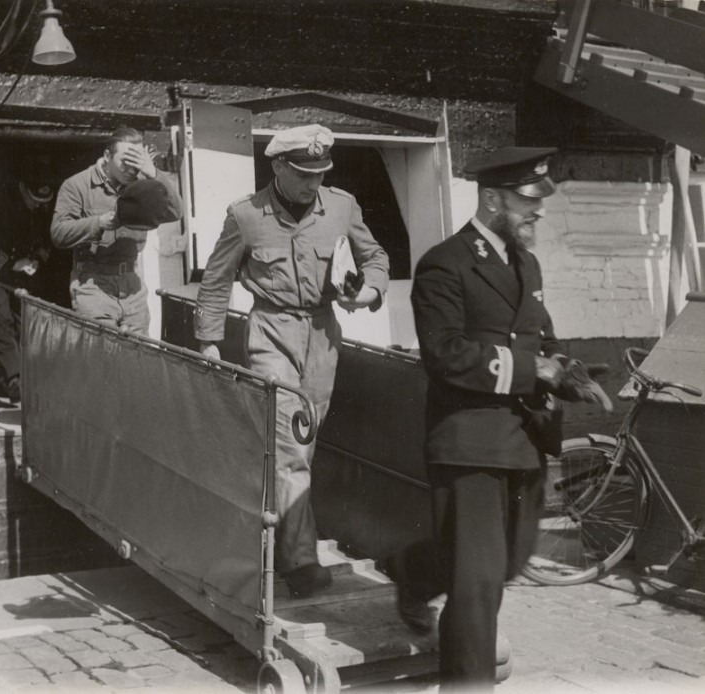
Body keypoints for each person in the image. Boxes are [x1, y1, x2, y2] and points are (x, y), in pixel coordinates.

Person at [404, 147, 610, 691]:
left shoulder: (526, 262)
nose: (537, 211)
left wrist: (565, 365)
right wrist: (536, 368)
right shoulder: (444, 264)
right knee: (477, 585)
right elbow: (445, 354)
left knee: (511, 560)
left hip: (523, 436)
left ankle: (414, 570)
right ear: (492, 198)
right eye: (525, 201)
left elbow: (538, 332)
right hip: (469, 439)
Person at [194, 124, 390, 598]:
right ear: (278, 167)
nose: (313, 183)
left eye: (321, 173)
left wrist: (368, 292)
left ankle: (274, 533)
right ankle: (300, 561)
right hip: (271, 331)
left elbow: (376, 257)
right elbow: (216, 280)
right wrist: (209, 341)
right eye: (304, 174)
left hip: (323, 336)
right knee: (290, 444)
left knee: (304, 443)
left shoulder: (341, 207)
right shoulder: (246, 215)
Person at [50, 126, 180, 333]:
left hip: (133, 287)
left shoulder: (143, 185)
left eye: (136, 163)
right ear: (107, 156)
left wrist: (154, 173)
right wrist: (98, 223)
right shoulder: (77, 185)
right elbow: (58, 233)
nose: (131, 170)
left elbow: (175, 212)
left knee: (139, 355)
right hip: (93, 285)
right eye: (125, 163)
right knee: (104, 355)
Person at [0, 171, 56, 404]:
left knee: (26, 322)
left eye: (42, 202)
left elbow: (45, 242)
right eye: (34, 199)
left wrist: (36, 260)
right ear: (22, 188)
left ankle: (6, 380)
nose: (37, 206)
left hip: (22, 279)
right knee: (3, 316)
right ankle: (15, 379)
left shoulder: (39, 212)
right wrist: (13, 264)